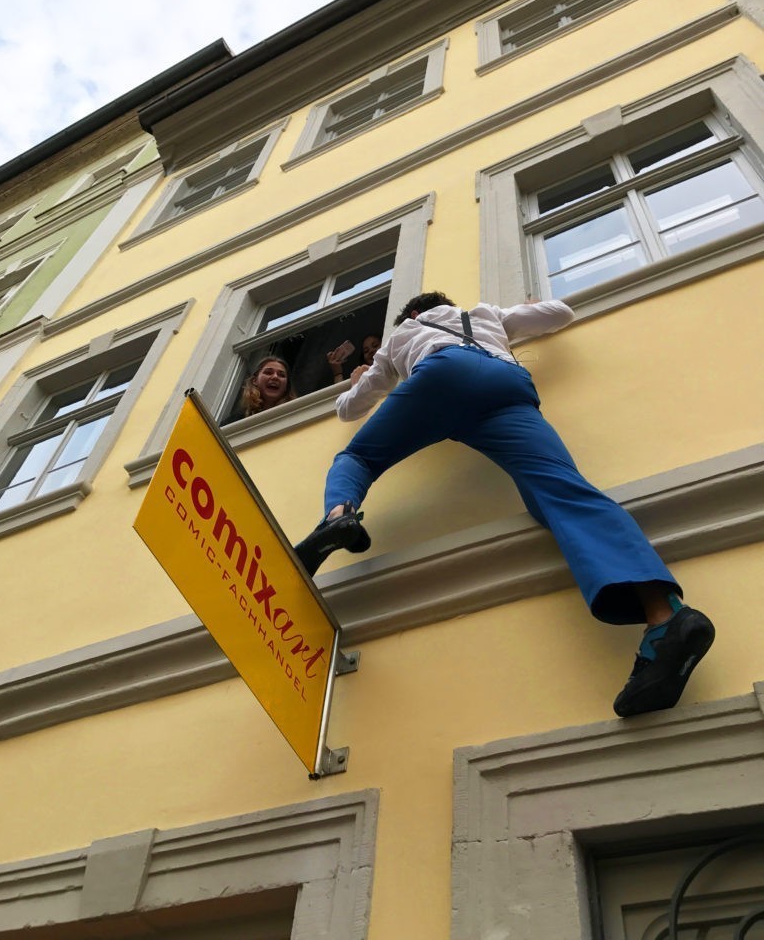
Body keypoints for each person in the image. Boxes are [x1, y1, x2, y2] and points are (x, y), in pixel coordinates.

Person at [294, 292, 715, 718]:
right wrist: (532, 303)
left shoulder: (403, 334)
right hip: (508, 385)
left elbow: (349, 410)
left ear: (413, 313)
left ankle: (337, 518)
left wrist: (355, 382)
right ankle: (665, 618)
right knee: (563, 495)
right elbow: (560, 314)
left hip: (443, 376)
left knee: (358, 458)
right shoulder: (483, 314)